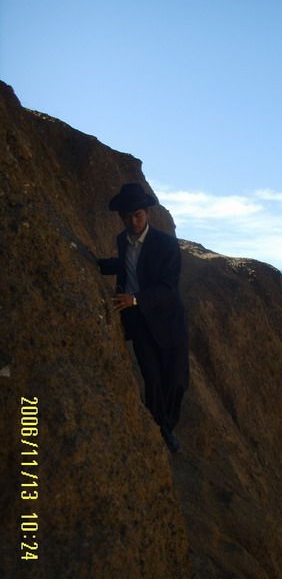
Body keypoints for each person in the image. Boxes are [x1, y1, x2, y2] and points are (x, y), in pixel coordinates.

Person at [97, 182, 189, 453]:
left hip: (169, 322)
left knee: (177, 381)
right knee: (152, 378)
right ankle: (161, 431)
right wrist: (96, 263)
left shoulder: (166, 245)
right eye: (128, 216)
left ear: (147, 214)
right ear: (121, 217)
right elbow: (127, 265)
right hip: (139, 322)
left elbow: (168, 287)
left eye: (137, 215)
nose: (133, 221)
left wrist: (135, 298)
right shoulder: (122, 241)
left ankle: (167, 425)